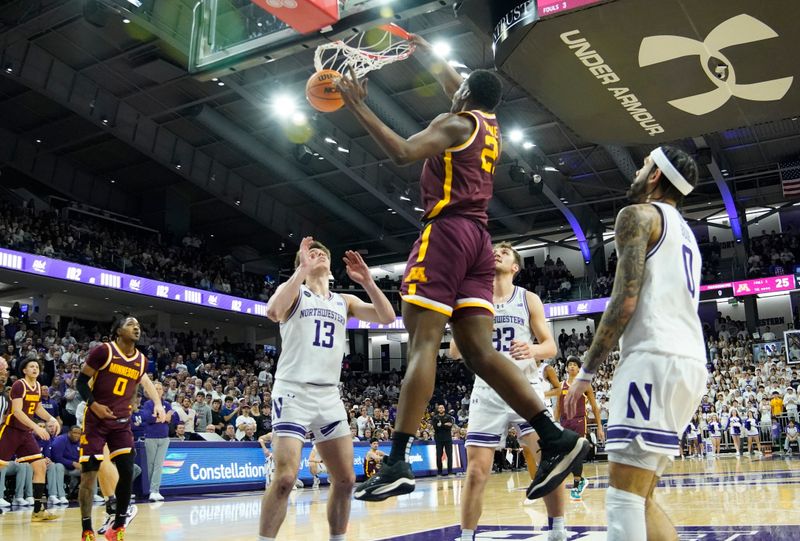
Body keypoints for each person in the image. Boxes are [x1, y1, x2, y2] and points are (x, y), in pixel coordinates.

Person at [337, 33, 587, 503]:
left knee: (422, 344)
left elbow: (402, 151)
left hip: (447, 234)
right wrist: (428, 51)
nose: (450, 88)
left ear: (464, 96)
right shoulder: (489, 122)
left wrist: (357, 106)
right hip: (479, 239)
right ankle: (554, 437)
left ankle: (395, 461)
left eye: (457, 87)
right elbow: (459, 81)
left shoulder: (455, 123)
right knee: (479, 353)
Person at [564, 146, 706, 541]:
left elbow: (624, 300)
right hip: (690, 365)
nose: (637, 172)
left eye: (643, 165)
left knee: (622, 498)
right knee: (641, 498)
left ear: (656, 175)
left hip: (652, 359)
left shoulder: (638, 215)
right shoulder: (687, 234)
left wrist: (587, 371)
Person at [258, 238, 395, 541]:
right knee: (284, 478)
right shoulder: (294, 291)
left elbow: (387, 317)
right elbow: (273, 311)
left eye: (322, 253)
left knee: (346, 479)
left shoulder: (344, 301)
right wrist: (301, 271)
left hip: (329, 394)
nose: (317, 255)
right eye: (310, 253)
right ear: (301, 263)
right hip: (293, 390)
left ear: (331, 266)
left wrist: (369, 281)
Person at [451, 242, 566, 541]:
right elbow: (453, 351)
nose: (497, 253)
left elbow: (551, 347)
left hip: (525, 387)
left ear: (515, 267)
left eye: (504, 251)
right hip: (487, 391)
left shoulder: (528, 299)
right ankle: (466, 536)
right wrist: (473, 335)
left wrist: (532, 348)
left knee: (548, 462)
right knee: (476, 470)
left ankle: (557, 530)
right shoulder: (474, 300)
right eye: (494, 251)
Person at [76, 315, 166, 541]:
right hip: (96, 421)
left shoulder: (142, 360)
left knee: (127, 472)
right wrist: (94, 405)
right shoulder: (103, 352)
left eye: (138, 325)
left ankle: (117, 527)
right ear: (117, 331)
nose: (137, 328)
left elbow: (135, 385)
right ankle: (86, 529)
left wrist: (137, 403)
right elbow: (80, 382)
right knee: (89, 475)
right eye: (130, 324)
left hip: (121, 423)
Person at [0, 358, 61, 521]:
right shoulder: (19, 385)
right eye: (31, 366)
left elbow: (38, 408)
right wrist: (36, 427)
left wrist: (51, 419)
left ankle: (38, 510)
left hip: (25, 433)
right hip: (11, 430)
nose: (35, 369)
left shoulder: (38, 388)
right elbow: (18, 411)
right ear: (24, 370)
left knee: (40, 466)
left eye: (37, 367)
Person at [554, 356, 604, 500]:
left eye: (575, 365)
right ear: (566, 368)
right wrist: (554, 423)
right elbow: (558, 406)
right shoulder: (561, 385)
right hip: (565, 422)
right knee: (566, 456)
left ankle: (576, 486)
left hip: (579, 421)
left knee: (576, 453)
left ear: (579, 368)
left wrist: (599, 427)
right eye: (569, 364)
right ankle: (581, 480)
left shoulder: (585, 385)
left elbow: (594, 407)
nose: (572, 367)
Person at [142, 381, 174, 502]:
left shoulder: (167, 404)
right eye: (156, 388)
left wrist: (162, 418)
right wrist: (163, 418)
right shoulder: (148, 404)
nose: (158, 390)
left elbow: (171, 419)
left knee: (159, 464)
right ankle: (152, 490)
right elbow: (148, 418)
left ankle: (155, 490)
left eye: (160, 388)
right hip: (151, 437)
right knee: (151, 465)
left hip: (164, 437)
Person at [431, 404, 454, 476]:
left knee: (449, 455)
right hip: (439, 439)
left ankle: (450, 472)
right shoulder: (435, 417)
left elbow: (449, 427)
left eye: (442, 408)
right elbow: (435, 428)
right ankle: (439, 472)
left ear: (444, 409)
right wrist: (445, 424)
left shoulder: (448, 417)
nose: (441, 409)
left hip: (448, 439)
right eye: (439, 408)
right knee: (438, 456)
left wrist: (441, 425)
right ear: (438, 410)